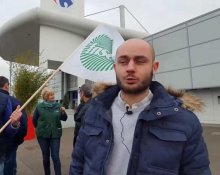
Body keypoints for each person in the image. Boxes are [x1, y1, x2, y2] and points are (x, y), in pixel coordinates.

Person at [70, 39, 211, 175]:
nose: (130, 68)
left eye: (140, 61)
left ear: (154, 67)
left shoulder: (184, 121)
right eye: (123, 61)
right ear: (115, 67)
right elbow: (78, 163)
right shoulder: (95, 111)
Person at [0, 76, 28, 175]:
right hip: (10, 143)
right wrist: (17, 140)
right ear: (6, 86)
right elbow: (24, 125)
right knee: (9, 166)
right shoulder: (15, 102)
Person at [33, 87, 68, 175]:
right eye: (50, 94)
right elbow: (34, 121)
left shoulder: (58, 105)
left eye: (53, 94)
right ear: (45, 96)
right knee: (46, 157)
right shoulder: (39, 106)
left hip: (55, 134)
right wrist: (41, 128)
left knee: (55, 156)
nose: (53, 96)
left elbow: (64, 119)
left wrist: (63, 113)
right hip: (42, 136)